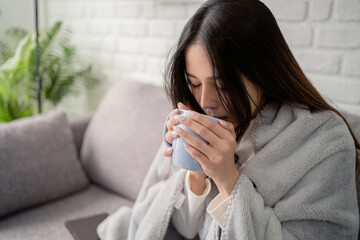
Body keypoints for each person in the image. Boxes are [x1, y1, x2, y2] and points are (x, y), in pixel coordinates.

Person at [97, 0, 359, 239]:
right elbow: (186, 229)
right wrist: (194, 170)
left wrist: (227, 180)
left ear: (264, 72)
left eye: (222, 85)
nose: (205, 102)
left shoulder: (324, 141)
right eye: (194, 83)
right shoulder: (197, 118)